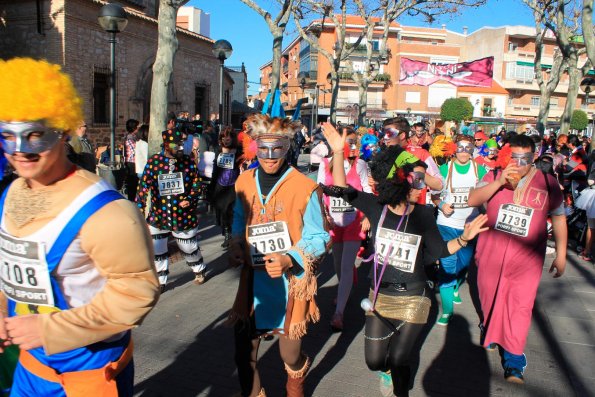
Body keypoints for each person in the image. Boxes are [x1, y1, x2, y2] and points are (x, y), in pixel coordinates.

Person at [0, 57, 158, 396]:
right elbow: (8, 267)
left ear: (64, 131)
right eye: (7, 135)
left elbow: (138, 294)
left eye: (35, 135)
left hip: (86, 379)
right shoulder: (11, 193)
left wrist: (50, 330)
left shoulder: (109, 212)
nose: (20, 151)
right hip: (29, 371)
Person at [320, 123, 487, 397]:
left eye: (420, 179)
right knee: (375, 361)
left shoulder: (421, 215)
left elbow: (440, 251)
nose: (418, 185)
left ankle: (401, 392)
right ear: (396, 180)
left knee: (399, 359)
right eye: (413, 179)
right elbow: (341, 189)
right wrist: (339, 153)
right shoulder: (376, 208)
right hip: (380, 297)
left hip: (415, 298)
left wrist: (465, 239)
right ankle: (391, 375)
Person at [228, 114, 329, 397]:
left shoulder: (305, 186)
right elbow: (239, 216)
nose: (270, 156)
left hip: (289, 283)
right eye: (264, 149)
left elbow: (320, 237)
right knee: (243, 356)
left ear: (288, 147)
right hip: (253, 281)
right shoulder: (244, 181)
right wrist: (236, 243)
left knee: (290, 356)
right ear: (254, 147)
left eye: (278, 148)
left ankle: (295, 385)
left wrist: (290, 258)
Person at [467, 134, 567, 384]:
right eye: (514, 157)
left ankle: (513, 361)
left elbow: (559, 218)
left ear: (533, 157)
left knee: (520, 307)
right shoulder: (493, 175)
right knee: (489, 297)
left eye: (524, 158)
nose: (519, 163)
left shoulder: (548, 182)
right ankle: (488, 329)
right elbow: (473, 200)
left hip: (527, 259)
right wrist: (500, 180)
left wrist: (562, 254)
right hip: (491, 253)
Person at [136, 112, 207, 290]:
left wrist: (190, 200)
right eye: (177, 145)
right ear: (167, 145)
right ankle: (161, 281)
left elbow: (197, 185)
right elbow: (143, 186)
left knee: (188, 248)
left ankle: (198, 269)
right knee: (158, 250)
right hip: (159, 215)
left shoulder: (188, 163)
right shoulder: (154, 163)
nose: (180, 148)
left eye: (181, 144)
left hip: (182, 214)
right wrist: (139, 208)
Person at [317, 126, 372, 331]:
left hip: (354, 220)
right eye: (346, 141)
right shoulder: (324, 164)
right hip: (334, 221)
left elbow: (367, 190)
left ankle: (339, 313)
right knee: (338, 265)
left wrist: (367, 215)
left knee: (347, 265)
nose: (350, 145)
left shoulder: (361, 165)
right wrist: (324, 216)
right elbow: (320, 193)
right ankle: (344, 292)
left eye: (352, 141)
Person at [432, 135, 487, 326]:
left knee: (464, 264)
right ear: (454, 149)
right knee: (447, 266)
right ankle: (447, 311)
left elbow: (487, 195)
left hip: (470, 226)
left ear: (472, 149)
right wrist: (441, 205)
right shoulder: (445, 169)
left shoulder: (479, 170)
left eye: (468, 147)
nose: (464, 151)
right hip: (446, 224)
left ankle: (456, 284)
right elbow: (435, 195)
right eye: (460, 147)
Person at [208, 126, 243, 248]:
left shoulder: (239, 151)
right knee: (223, 211)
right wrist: (211, 186)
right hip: (220, 185)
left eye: (228, 137)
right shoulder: (218, 150)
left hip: (234, 185)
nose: (225, 140)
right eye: (223, 137)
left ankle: (234, 235)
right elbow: (215, 169)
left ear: (232, 138)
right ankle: (227, 235)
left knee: (232, 211)